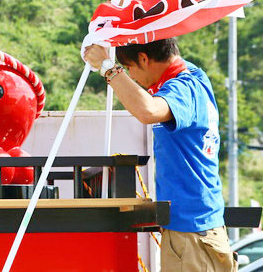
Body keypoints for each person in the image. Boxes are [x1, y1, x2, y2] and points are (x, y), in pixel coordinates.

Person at [84, 35, 237, 271]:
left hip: (191, 232)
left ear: (144, 58)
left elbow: (148, 110)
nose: (131, 76)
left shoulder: (184, 87)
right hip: (193, 229)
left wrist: (108, 68)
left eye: (129, 68)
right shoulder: (191, 76)